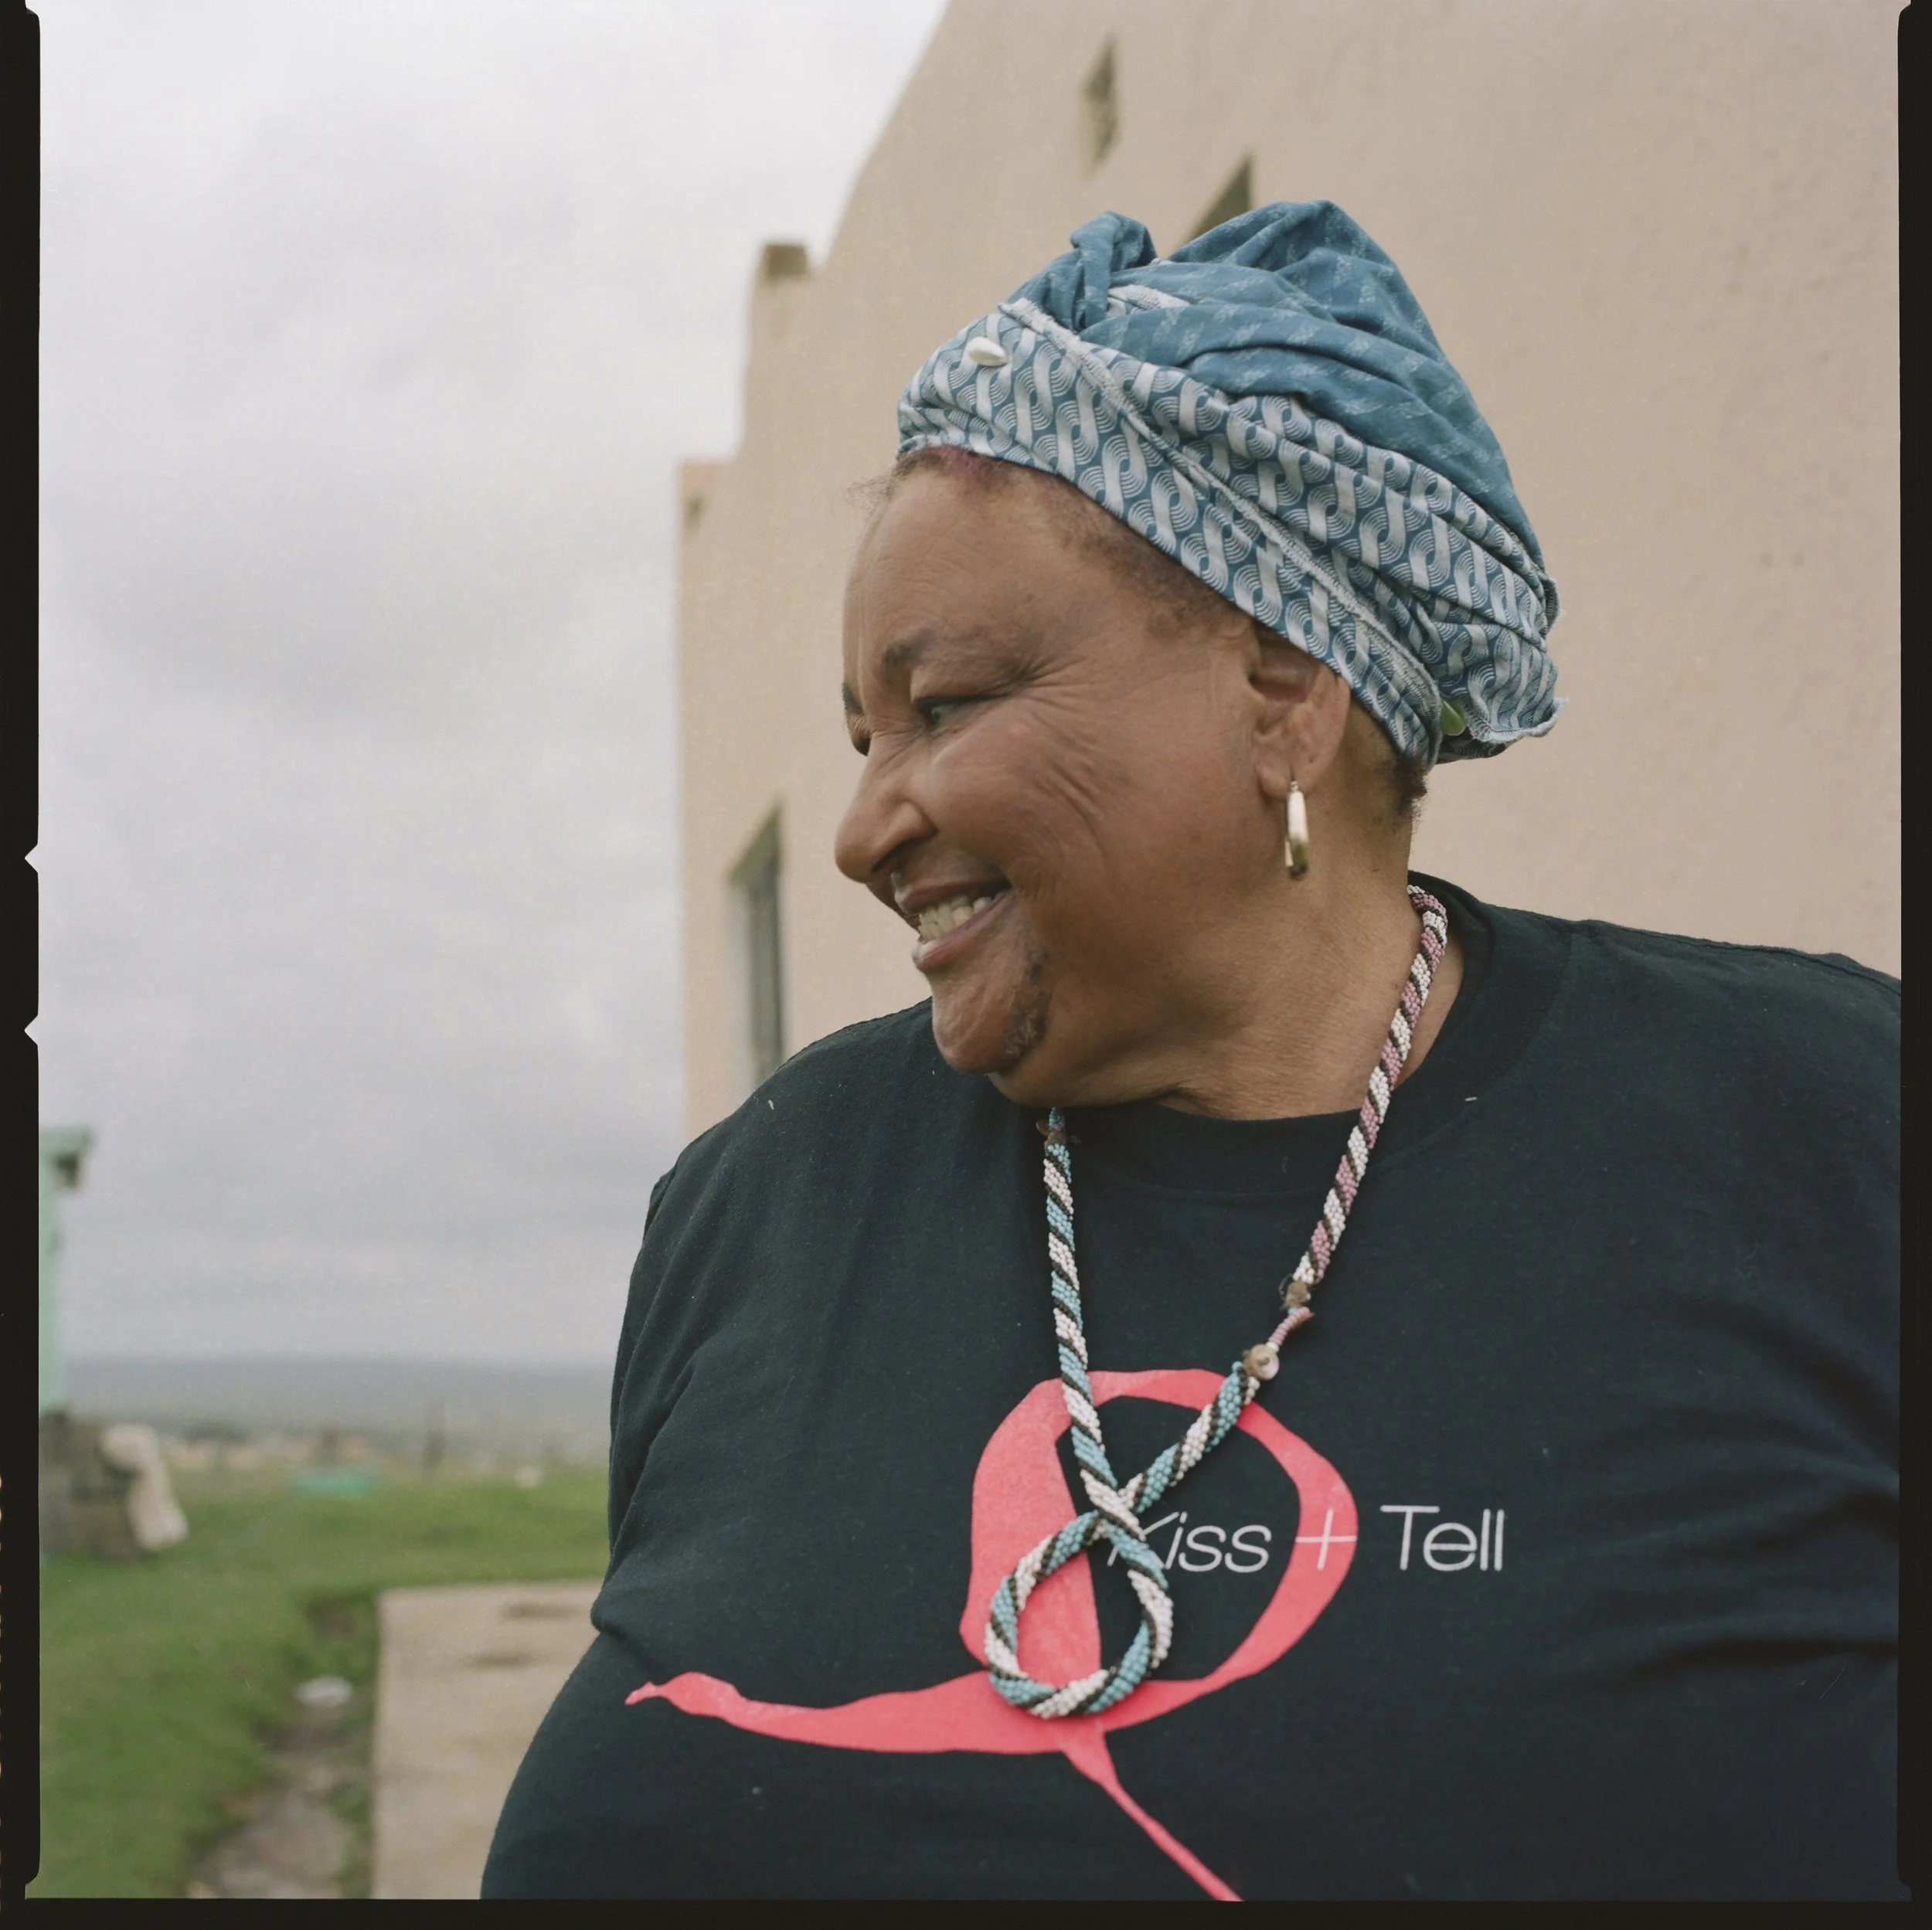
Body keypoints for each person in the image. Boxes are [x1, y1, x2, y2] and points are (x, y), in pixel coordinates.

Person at [484, 205, 1900, 1900]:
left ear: (1282, 692)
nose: (862, 830)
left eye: (946, 706)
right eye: (863, 736)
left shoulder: (1823, 1130)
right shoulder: (766, 1199)